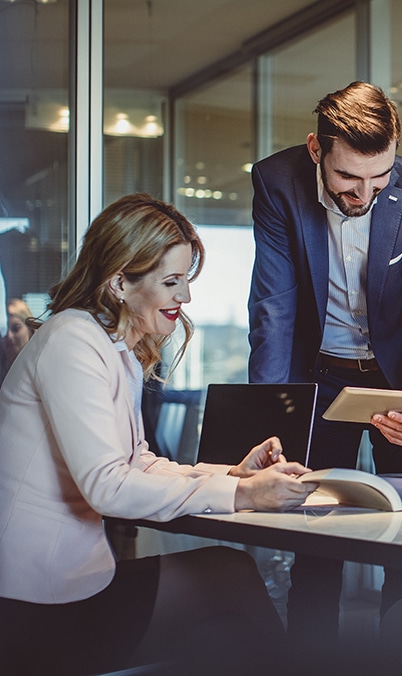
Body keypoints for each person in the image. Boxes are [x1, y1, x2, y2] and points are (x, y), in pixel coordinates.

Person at [0, 194, 316, 674]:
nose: (185, 297)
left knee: (223, 633)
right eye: (171, 282)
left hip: (64, 586)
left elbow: (138, 460)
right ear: (120, 282)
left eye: (185, 280)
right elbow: (108, 485)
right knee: (230, 577)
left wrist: (233, 474)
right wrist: (244, 495)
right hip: (33, 604)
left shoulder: (113, 346)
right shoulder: (72, 341)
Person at [247, 81, 402, 644]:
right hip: (319, 379)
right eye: (347, 178)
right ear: (317, 150)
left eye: (379, 177)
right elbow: (274, 309)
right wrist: (271, 414)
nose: (363, 193)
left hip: (401, 385)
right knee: (317, 543)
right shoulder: (277, 181)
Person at [0, 298, 34, 384]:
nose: (9, 335)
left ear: (30, 330)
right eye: (3, 331)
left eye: (16, 328)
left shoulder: (38, 370)